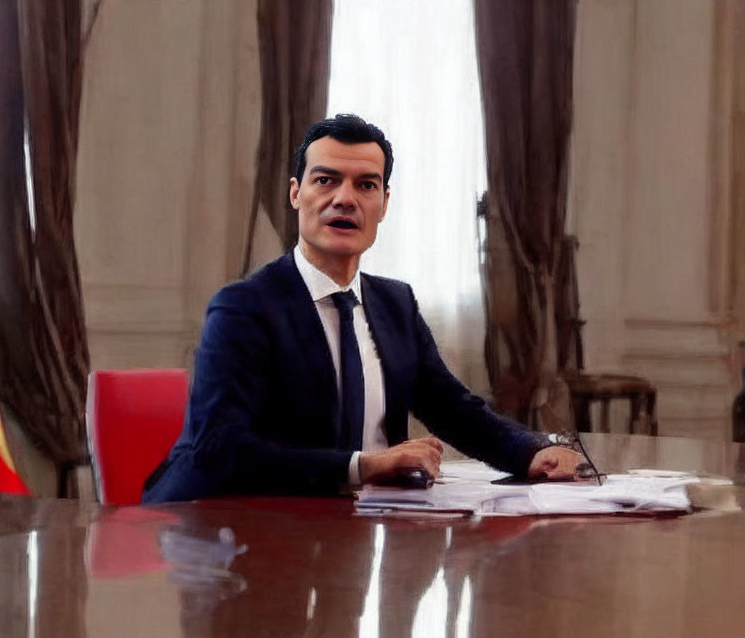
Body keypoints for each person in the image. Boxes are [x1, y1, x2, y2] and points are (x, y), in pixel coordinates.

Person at [142, 114, 583, 503]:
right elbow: (221, 449)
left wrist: (533, 450)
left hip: (351, 526)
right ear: (296, 194)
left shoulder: (394, 303)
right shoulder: (244, 308)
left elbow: (454, 408)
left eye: (365, 185)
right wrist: (363, 466)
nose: (345, 199)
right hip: (225, 530)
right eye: (325, 180)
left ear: (384, 203)